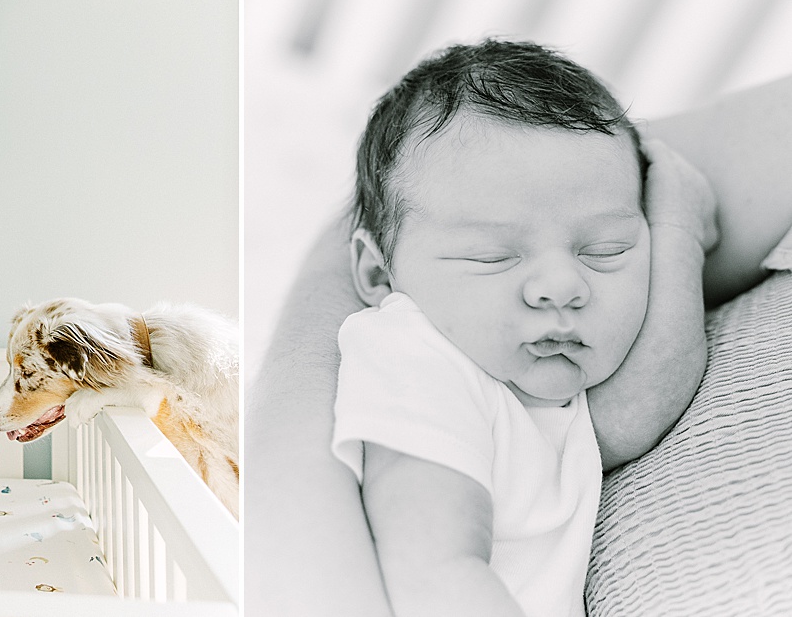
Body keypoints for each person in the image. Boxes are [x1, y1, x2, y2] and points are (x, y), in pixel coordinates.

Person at [245, 42, 792, 616]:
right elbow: (433, 573)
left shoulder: (523, 390)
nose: (560, 286)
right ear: (380, 275)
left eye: (607, 250)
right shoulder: (414, 360)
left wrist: (678, 232)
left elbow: (636, 411)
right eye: (493, 257)